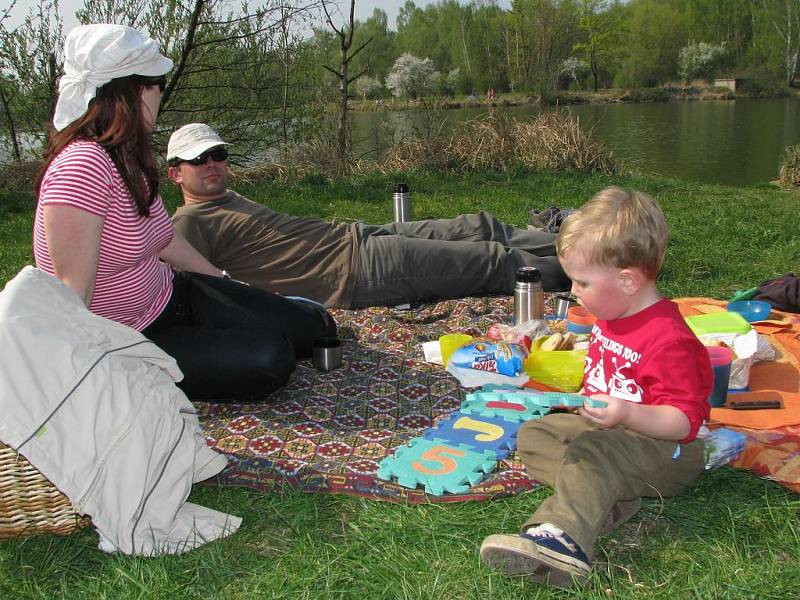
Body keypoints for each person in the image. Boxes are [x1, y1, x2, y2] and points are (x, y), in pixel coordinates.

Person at [33, 24, 335, 402]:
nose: (163, 93)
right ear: (138, 89)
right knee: (270, 358)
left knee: (316, 327)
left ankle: (276, 321)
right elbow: (71, 292)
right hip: (135, 335)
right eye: (160, 83)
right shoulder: (81, 167)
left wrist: (227, 284)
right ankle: (138, 378)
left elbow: (166, 240)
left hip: (175, 293)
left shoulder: (125, 155)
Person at [479, 187, 713, 588]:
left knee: (592, 450)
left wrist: (627, 412)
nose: (573, 292)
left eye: (582, 282)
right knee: (537, 433)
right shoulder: (611, 311)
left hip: (666, 450)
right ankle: (604, 499)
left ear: (626, 281)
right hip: (612, 435)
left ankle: (560, 537)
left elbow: (684, 422)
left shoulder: (669, 340)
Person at [167, 123, 570, 309]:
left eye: (217, 154)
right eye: (197, 160)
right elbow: (199, 290)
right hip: (353, 271)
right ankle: (587, 270)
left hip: (354, 235)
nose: (212, 164)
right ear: (175, 173)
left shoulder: (226, 197)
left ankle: (583, 240)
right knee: (490, 261)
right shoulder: (187, 224)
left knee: (478, 226)